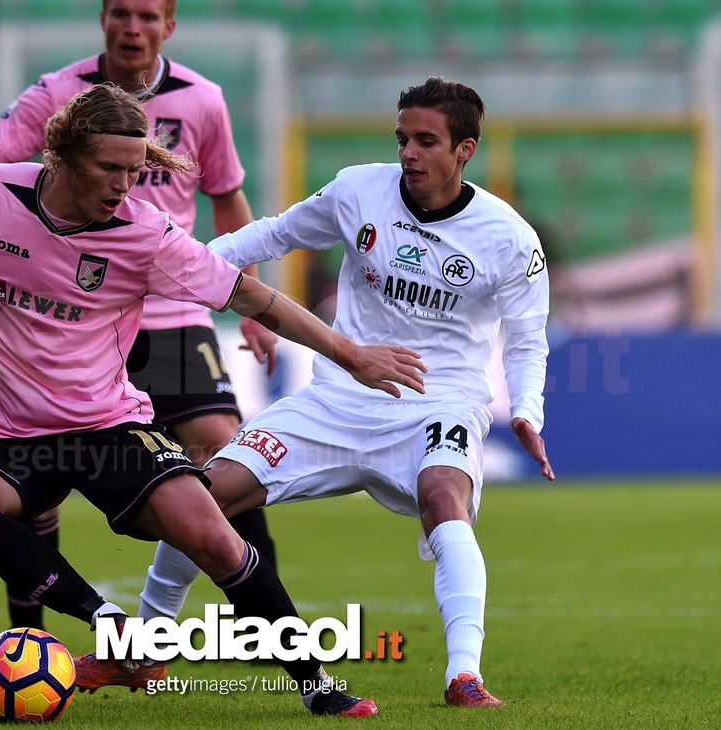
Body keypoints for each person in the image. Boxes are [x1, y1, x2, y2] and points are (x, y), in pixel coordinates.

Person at [0, 84, 426, 716]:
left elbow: (251, 296)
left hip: (109, 428)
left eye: (135, 171)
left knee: (214, 535)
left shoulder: (145, 233)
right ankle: (114, 625)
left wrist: (352, 354)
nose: (123, 185)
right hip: (9, 433)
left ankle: (317, 686)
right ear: (62, 155)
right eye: (109, 168)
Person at [123, 76, 556, 708]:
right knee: (204, 494)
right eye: (402, 137)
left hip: (436, 405)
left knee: (445, 502)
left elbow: (526, 339)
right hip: (338, 398)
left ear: (465, 150)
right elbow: (272, 234)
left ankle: (464, 676)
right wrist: (180, 266)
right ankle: (147, 649)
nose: (408, 152)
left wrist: (525, 410)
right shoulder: (359, 190)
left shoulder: (508, 237)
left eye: (426, 141)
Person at [0, 0, 281, 633]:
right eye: (122, 13)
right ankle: (33, 628)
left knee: (222, 446)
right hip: (77, 313)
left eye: (148, 16)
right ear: (103, 20)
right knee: (42, 461)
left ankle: (261, 619)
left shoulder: (203, 100)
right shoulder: (57, 95)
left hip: (170, 304)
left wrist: (258, 305)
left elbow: (228, 198)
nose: (134, 28)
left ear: (168, 27)